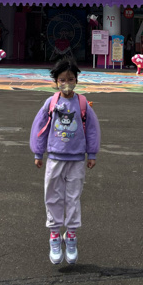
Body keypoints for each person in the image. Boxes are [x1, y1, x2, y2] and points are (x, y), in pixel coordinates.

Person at [30, 57, 100, 267]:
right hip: (54, 158)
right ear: (56, 81)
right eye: (62, 79)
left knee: (73, 198)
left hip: (77, 159)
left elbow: (92, 129)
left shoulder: (83, 103)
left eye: (70, 79)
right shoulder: (51, 103)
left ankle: (71, 235)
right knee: (52, 196)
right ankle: (54, 235)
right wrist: (38, 152)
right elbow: (39, 127)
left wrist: (92, 153)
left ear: (76, 80)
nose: (66, 83)